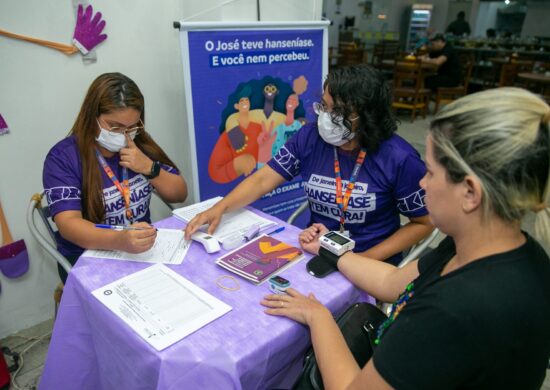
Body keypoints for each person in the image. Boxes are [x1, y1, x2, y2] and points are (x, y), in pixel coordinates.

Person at [261, 87, 550, 389]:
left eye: (431, 173)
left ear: (470, 193)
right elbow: (392, 283)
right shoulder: (502, 250)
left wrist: (318, 316)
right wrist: (331, 250)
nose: (422, 183)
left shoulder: (449, 311)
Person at [186, 65, 434, 265]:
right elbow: (263, 179)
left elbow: (424, 223)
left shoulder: (399, 158)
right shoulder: (310, 137)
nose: (325, 117)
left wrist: (361, 260)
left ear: (367, 116)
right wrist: (219, 208)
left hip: (371, 257)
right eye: (324, 106)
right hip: (316, 248)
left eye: (338, 111)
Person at [43, 72, 188, 283]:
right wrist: (119, 240)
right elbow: (68, 225)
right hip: (88, 255)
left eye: (131, 127)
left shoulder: (140, 145)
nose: (123, 135)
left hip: (140, 249)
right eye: (115, 127)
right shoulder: (63, 157)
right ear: (91, 116)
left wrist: (149, 168)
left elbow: (179, 194)